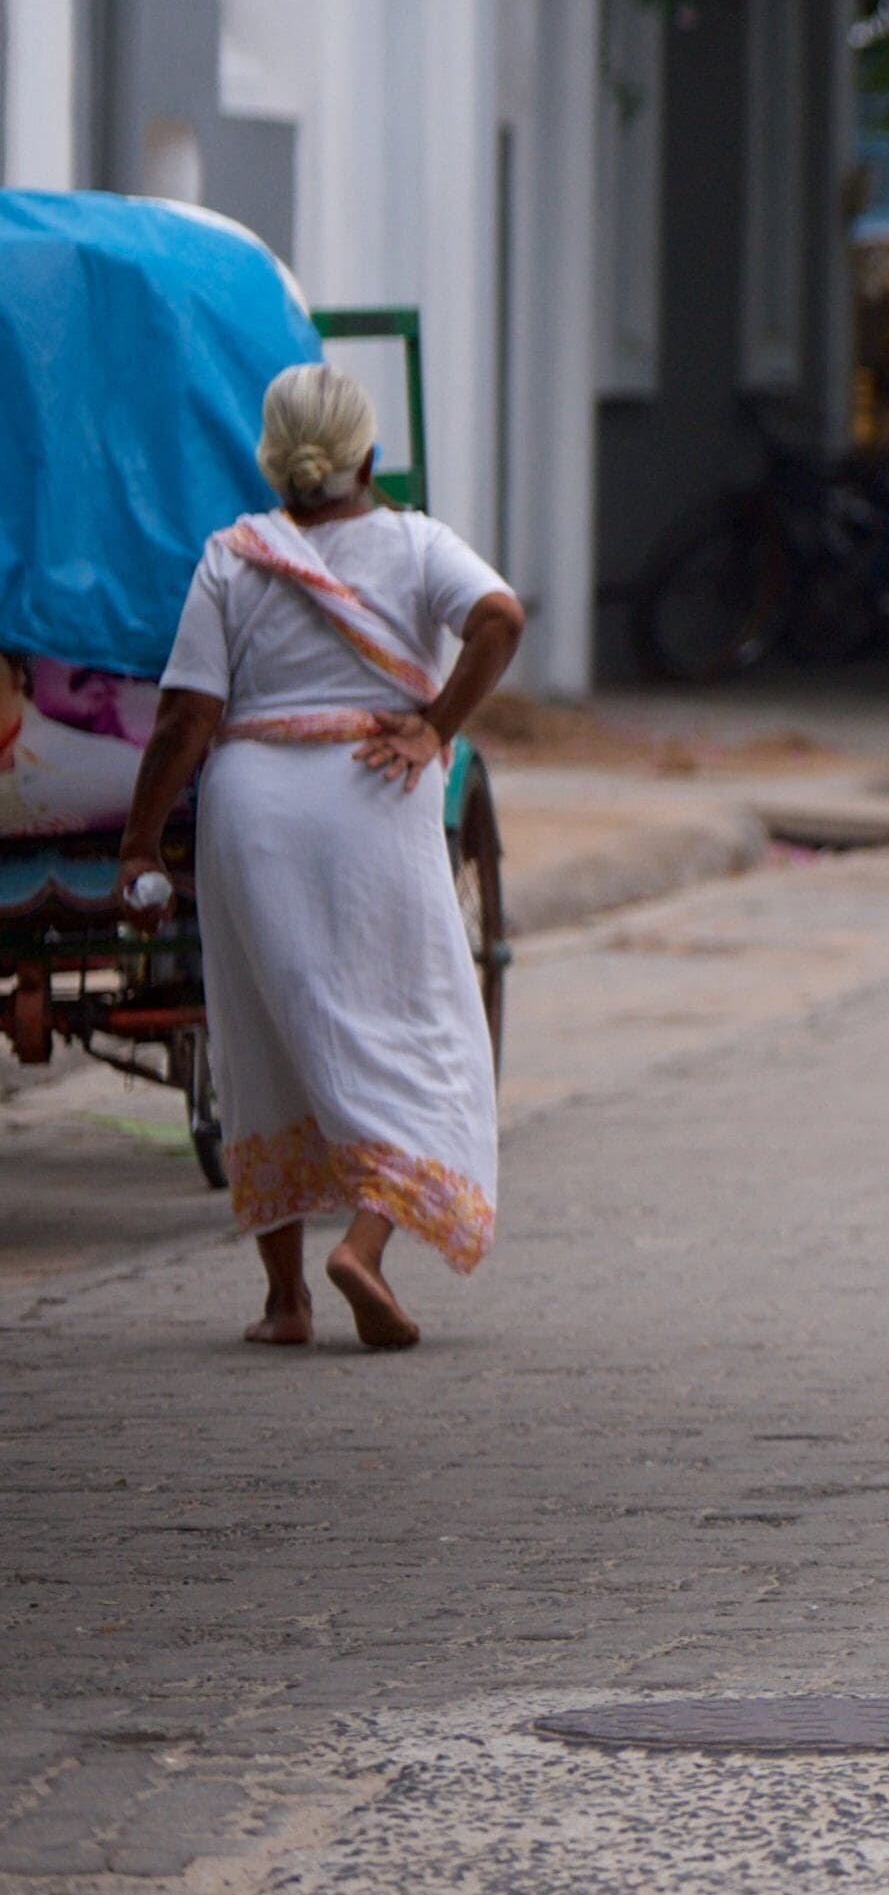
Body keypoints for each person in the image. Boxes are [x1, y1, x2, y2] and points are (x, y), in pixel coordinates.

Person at [114, 364, 525, 1352]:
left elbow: (187, 717)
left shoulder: (232, 558)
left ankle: (285, 1300)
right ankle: (366, 1249)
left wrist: (138, 842)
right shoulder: (417, 543)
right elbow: (500, 619)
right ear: (368, 457)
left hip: (252, 811)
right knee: (417, 1029)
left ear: (271, 460)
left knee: (264, 1031)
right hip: (373, 798)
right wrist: (435, 726)